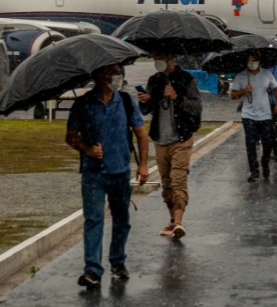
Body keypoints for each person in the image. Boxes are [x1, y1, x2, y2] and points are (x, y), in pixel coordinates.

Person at [64, 63, 149, 288]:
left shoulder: (126, 101)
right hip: (93, 173)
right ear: (99, 75)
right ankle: (92, 270)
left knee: (122, 220)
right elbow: (70, 137)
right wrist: (87, 149)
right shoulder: (83, 104)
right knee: (94, 219)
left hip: (120, 171)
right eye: (111, 72)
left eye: (118, 71)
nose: (116, 75)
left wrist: (143, 165)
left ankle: (118, 262)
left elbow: (141, 134)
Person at [137, 50, 201, 239]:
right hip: (160, 138)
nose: (158, 61)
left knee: (178, 178)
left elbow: (197, 107)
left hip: (181, 138)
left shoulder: (186, 79)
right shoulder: (154, 80)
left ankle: (179, 223)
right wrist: (144, 101)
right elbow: (146, 110)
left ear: (171, 57)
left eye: (161, 57)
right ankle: (172, 220)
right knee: (166, 183)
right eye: (155, 58)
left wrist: (177, 98)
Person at [230, 55, 277, 181]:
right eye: (250, 61)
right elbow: (233, 95)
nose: (252, 63)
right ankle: (254, 170)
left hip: (265, 115)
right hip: (248, 116)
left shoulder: (267, 74)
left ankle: (265, 162)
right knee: (250, 144)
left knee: (267, 143)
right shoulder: (241, 76)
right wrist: (244, 91)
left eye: (254, 61)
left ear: (259, 62)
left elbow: (276, 89)